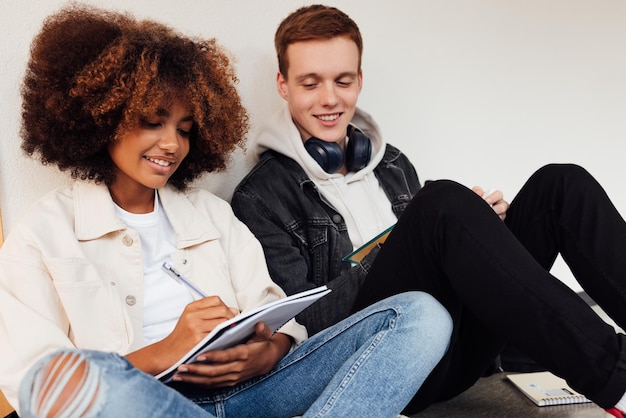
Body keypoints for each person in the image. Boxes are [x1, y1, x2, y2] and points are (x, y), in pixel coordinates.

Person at [0, 6, 454, 418]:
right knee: (97, 387)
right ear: (105, 117)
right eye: (152, 122)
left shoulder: (211, 214)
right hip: (147, 400)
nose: (172, 144)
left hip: (255, 392)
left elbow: (276, 314)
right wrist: (166, 352)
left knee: (422, 314)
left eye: (184, 128)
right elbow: (37, 382)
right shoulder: (42, 233)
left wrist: (269, 350)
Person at [231, 4, 626, 417]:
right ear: (283, 84)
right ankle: (618, 383)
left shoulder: (393, 163)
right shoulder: (260, 197)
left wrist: (489, 234)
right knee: (441, 203)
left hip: (460, 349)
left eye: (343, 81)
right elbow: (306, 328)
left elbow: (442, 258)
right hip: (385, 367)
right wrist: (415, 234)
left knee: (560, 184)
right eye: (310, 84)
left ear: (360, 80)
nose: (330, 99)